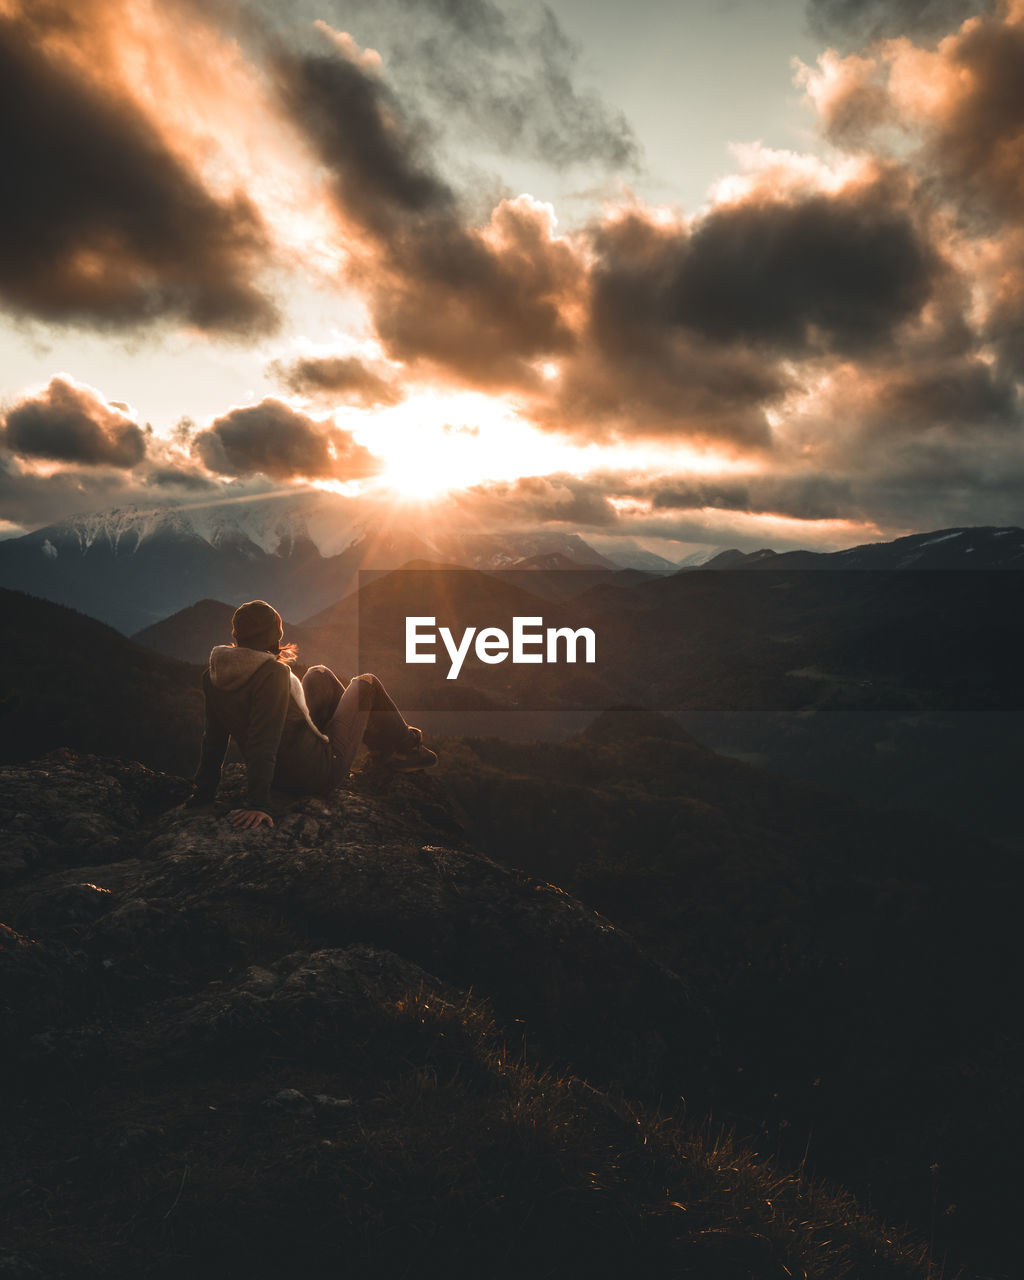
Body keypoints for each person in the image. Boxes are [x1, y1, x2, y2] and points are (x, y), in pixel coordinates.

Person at [188, 600, 436, 828]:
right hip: (318, 773)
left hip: (280, 772)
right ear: (274, 633)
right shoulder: (272, 674)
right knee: (366, 684)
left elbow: (213, 740)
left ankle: (385, 743)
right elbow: (263, 740)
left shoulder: (214, 677)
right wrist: (258, 805)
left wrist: (203, 795)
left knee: (319, 674)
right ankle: (404, 748)